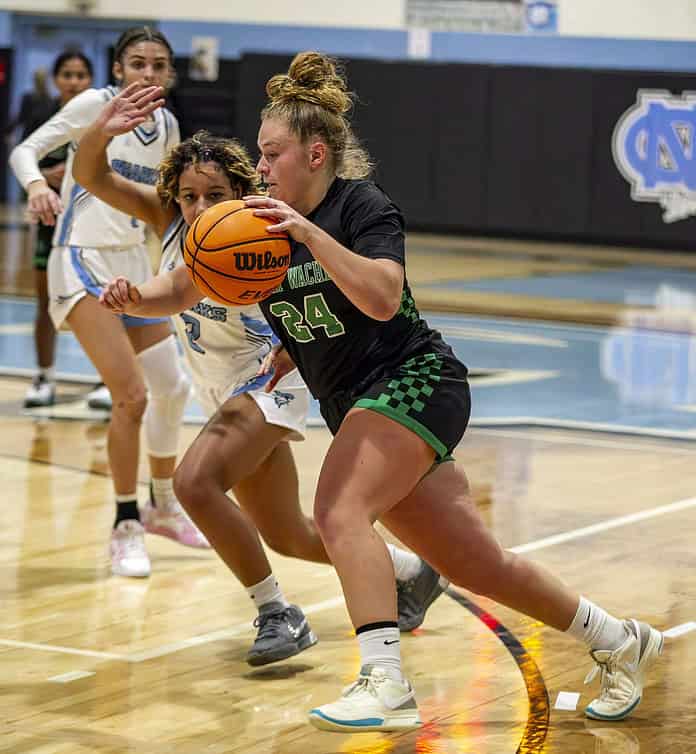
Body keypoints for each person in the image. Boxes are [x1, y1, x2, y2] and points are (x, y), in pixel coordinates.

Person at [239, 51, 662, 731]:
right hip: (361, 402)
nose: (260, 168)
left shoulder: (360, 208)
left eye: (271, 154)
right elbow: (316, 316)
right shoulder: (267, 235)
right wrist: (287, 353)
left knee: (339, 509)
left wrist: (312, 236)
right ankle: (618, 639)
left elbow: (379, 298)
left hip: (416, 380)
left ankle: (384, 681)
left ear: (315, 153)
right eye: (260, 156)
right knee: (475, 562)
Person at [76, 85, 448, 664]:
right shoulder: (173, 222)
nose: (201, 207)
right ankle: (411, 572)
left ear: (241, 191)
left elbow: (329, 290)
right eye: (190, 196)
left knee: (194, 483)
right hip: (224, 390)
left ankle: (277, 612)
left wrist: (300, 340)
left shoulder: (258, 227)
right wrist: (129, 293)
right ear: (174, 196)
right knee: (287, 534)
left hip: (270, 378)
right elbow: (160, 274)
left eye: (216, 194)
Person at [9, 26, 209, 579]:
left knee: (174, 386)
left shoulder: (167, 125)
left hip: (132, 262)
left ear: (169, 74)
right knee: (132, 395)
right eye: (138, 63)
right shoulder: (93, 105)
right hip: (79, 259)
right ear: (118, 69)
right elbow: (26, 150)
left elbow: (161, 210)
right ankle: (125, 525)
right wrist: (37, 187)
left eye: (159, 65)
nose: (148, 73)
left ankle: (162, 504)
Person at [12, 53, 95, 408]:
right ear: (57, 79)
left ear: (91, 79)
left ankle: (104, 380)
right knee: (45, 302)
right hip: (51, 223)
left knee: (104, 300)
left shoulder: (102, 119)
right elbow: (23, 165)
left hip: (94, 224)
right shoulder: (42, 119)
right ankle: (44, 375)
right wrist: (46, 179)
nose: (74, 81)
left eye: (81, 75)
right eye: (67, 74)